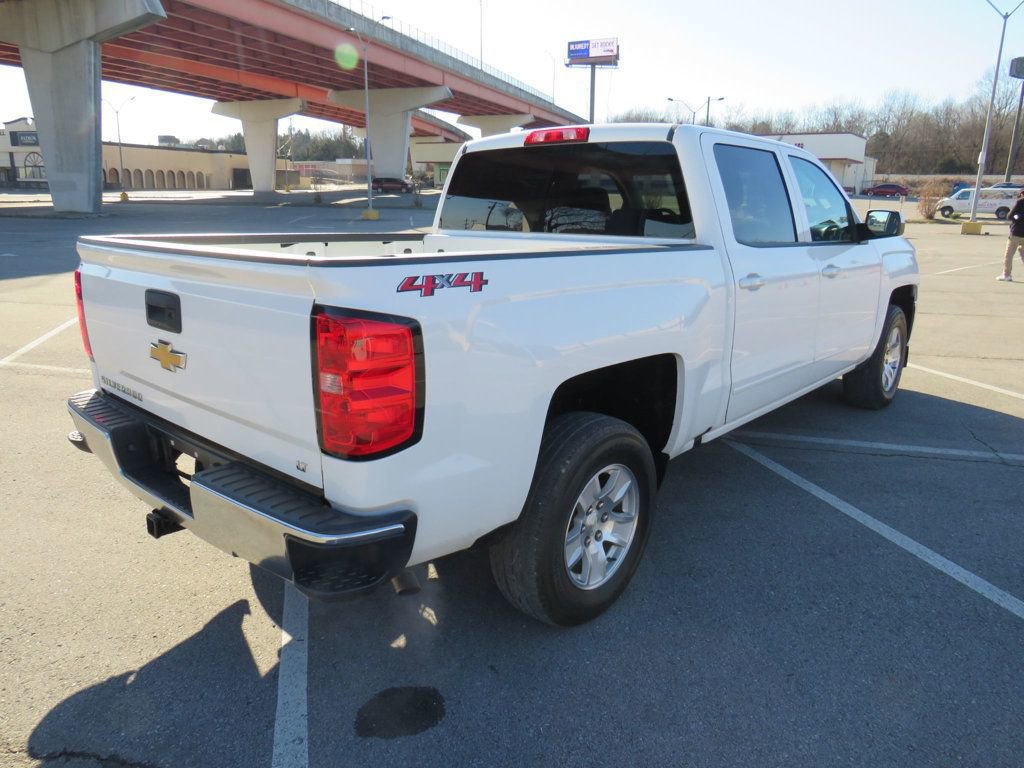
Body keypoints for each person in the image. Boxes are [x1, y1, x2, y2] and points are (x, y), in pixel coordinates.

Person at [998, 188, 1024, 282]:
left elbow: (1009, 216)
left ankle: (1006, 275)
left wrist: (1017, 217)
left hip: (1016, 233)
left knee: (1009, 255)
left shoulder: (1020, 202)